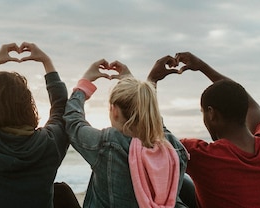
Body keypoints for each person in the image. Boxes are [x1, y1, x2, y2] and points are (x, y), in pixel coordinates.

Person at [149, 52, 260, 208]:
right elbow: (252, 105)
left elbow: (153, 134)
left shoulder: (201, 156)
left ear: (211, 113)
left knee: (178, 182)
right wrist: (203, 67)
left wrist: (152, 80)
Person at [0, 42, 70, 208]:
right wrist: (46, 61)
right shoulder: (49, 143)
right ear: (27, 106)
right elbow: (61, 109)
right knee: (61, 191)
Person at [64, 59, 189, 208]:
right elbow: (154, 120)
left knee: (60, 191)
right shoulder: (174, 149)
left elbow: (73, 121)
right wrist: (130, 80)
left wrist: (84, 84)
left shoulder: (107, 144)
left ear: (114, 111)